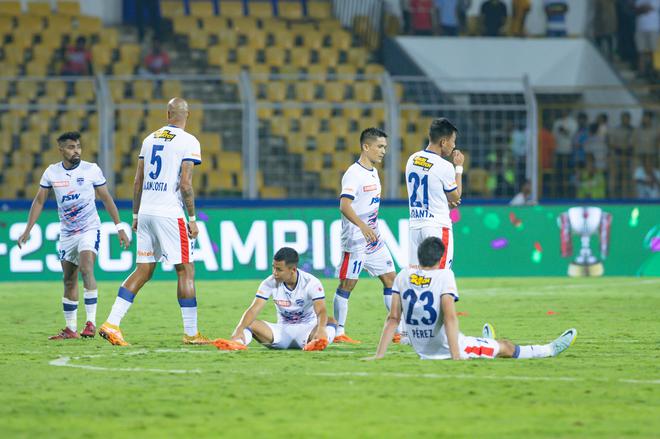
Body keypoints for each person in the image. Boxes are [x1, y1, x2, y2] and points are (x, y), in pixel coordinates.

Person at [98, 97, 209, 346]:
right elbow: (185, 184)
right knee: (186, 270)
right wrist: (192, 218)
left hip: (146, 211)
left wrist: (136, 215)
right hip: (170, 213)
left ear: (168, 113)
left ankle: (111, 323)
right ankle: (191, 333)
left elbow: (137, 181)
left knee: (144, 269)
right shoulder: (189, 141)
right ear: (187, 115)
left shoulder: (149, 139)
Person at [365, 237, 578, 361]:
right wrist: (457, 356)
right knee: (505, 347)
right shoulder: (444, 275)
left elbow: (393, 319)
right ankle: (548, 350)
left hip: (422, 349)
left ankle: (484, 340)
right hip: (447, 350)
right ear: (440, 258)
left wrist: (378, 356)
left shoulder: (402, 275)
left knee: (478, 342)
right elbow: (450, 318)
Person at [17, 132, 130, 339]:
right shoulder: (52, 173)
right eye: (70, 147)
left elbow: (106, 198)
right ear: (60, 150)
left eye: (78, 146)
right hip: (67, 233)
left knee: (87, 269)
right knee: (69, 280)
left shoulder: (91, 170)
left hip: (89, 229)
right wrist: (27, 230)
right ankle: (71, 329)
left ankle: (90, 323)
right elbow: (40, 201)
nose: (76, 150)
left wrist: (120, 227)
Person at [333, 128, 397, 344]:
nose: (383, 151)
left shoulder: (373, 171)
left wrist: (370, 228)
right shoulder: (354, 173)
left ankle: (397, 329)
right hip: (355, 239)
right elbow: (344, 205)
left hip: (373, 237)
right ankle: (339, 332)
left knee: (391, 280)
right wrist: (361, 226)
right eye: (379, 147)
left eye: (385, 147)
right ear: (365, 147)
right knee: (347, 284)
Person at [214, 247, 336, 352]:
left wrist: (320, 330)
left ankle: (318, 342)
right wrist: (239, 328)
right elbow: (254, 309)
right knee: (249, 323)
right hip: (280, 333)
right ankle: (238, 343)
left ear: (293, 270)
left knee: (330, 321)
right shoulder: (269, 282)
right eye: (273, 268)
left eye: (279, 270)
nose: (274, 273)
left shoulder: (311, 282)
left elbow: (321, 310)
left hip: (309, 331)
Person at [405, 117, 463, 268]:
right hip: (437, 226)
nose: (454, 145)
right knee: (440, 276)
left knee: (416, 277)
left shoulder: (412, 159)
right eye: (453, 140)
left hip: (415, 226)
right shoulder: (444, 166)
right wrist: (458, 168)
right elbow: (455, 198)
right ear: (443, 142)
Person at [608, 111, 635, 197]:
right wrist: (621, 148)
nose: (625, 120)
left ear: (629, 119)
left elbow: (632, 144)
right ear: (621, 119)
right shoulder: (616, 130)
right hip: (618, 156)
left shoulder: (633, 130)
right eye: (624, 118)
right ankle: (617, 196)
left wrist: (624, 148)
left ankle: (628, 196)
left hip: (629, 156)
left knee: (628, 177)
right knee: (617, 177)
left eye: (627, 118)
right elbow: (612, 143)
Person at [634, 0, 660, 77]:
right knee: (640, 52)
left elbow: (649, 8)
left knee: (653, 51)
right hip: (640, 28)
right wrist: (643, 8)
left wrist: (642, 8)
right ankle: (641, 72)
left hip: (653, 27)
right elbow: (636, 9)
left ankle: (653, 72)